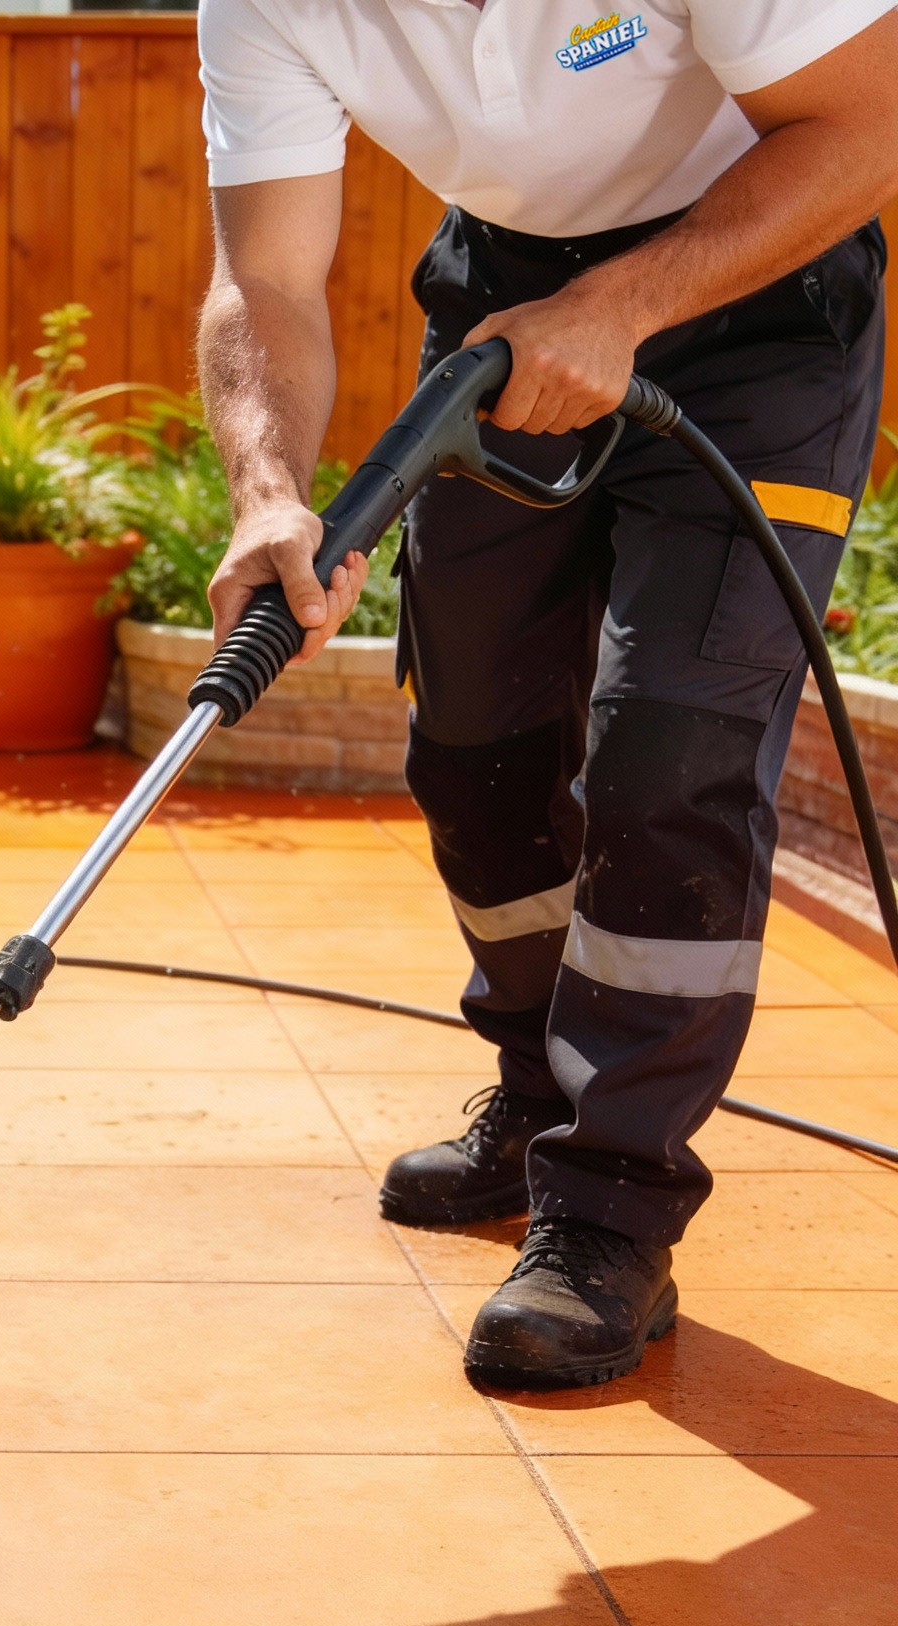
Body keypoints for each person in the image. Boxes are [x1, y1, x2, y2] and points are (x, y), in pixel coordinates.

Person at [195, 0, 898, 1389]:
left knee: (670, 758)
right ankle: (536, 1092)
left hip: (759, 296)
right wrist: (265, 489)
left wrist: (627, 306)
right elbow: (264, 279)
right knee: (478, 748)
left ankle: (612, 1210)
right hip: (506, 306)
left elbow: (868, 120)